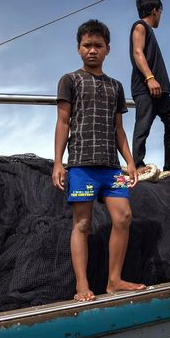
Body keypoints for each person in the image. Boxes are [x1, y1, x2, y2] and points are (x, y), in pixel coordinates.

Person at [52, 20, 145, 302]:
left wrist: (129, 161)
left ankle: (114, 280)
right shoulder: (69, 80)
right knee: (82, 223)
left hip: (111, 167)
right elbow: (62, 121)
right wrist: (58, 162)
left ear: (108, 49)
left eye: (98, 46)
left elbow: (119, 129)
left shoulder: (116, 87)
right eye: (87, 45)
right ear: (79, 49)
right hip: (81, 164)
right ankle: (82, 284)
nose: (92, 50)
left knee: (124, 216)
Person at [129, 0, 170, 174]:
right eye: (160, 12)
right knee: (143, 126)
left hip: (160, 90)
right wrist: (150, 78)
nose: (160, 16)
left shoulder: (149, 31)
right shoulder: (140, 26)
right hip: (146, 88)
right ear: (155, 11)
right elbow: (137, 52)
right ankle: (137, 164)